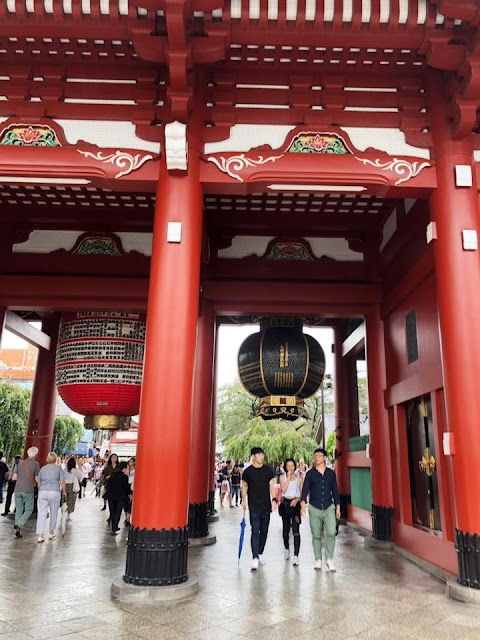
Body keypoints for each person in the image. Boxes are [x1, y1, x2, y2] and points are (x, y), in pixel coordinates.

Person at [301, 446, 340, 571]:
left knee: (331, 532)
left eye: (319, 456)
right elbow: (305, 489)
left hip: (329, 507)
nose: (316, 458)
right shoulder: (310, 473)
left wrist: (338, 507)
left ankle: (329, 558)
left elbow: (335, 490)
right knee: (316, 534)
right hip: (314, 507)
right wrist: (302, 505)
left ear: (324, 458)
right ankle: (318, 559)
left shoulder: (331, 473)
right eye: (315, 456)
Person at [241, 447, 277, 571]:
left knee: (264, 531)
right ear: (253, 456)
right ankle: (255, 557)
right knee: (255, 531)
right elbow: (243, 486)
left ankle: (260, 552)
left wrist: (274, 499)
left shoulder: (268, 470)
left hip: (266, 505)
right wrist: (244, 500)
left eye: (262, 454)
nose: (262, 457)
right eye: (259, 454)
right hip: (254, 506)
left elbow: (272, 486)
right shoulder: (247, 472)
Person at [36, 452, 66, 542]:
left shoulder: (42, 469)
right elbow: (62, 481)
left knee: (41, 513)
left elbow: (38, 483)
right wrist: (64, 491)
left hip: (43, 492)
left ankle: (40, 535)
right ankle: (51, 532)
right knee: (54, 512)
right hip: (54, 492)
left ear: (47, 459)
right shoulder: (58, 468)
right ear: (55, 459)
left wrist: (42, 487)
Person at [279, 458, 303, 566]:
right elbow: (283, 490)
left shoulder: (299, 479)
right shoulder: (282, 477)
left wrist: (297, 500)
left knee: (296, 530)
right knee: (285, 530)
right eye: (288, 466)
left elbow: (302, 494)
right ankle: (286, 549)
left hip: (295, 504)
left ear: (295, 466)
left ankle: (296, 555)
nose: (290, 468)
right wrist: (288, 478)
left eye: (292, 466)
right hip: (285, 504)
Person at [13, 446, 40, 538]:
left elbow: (14, 478)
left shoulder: (20, 463)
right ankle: (19, 524)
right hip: (28, 490)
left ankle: (17, 530)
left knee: (19, 510)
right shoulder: (36, 464)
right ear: (35, 454)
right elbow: (37, 479)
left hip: (18, 489)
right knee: (28, 509)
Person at [106, 461, 132, 535]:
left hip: (111, 496)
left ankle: (114, 528)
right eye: (127, 468)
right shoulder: (125, 477)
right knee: (118, 512)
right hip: (120, 497)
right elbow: (127, 488)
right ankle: (114, 529)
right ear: (124, 469)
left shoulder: (113, 475)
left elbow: (108, 485)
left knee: (113, 512)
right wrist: (129, 494)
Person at [62, 457, 83, 522]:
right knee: (71, 501)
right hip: (72, 486)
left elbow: (62, 479)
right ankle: (68, 517)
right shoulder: (75, 470)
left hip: (65, 486)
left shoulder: (64, 470)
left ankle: (63, 515)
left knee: (64, 501)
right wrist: (80, 467)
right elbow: (80, 476)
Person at [124, 457, 135, 525]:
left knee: (131, 501)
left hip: (132, 485)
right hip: (127, 485)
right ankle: (126, 518)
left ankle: (129, 517)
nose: (130, 463)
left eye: (131, 461)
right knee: (127, 501)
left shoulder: (136, 469)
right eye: (129, 461)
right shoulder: (127, 469)